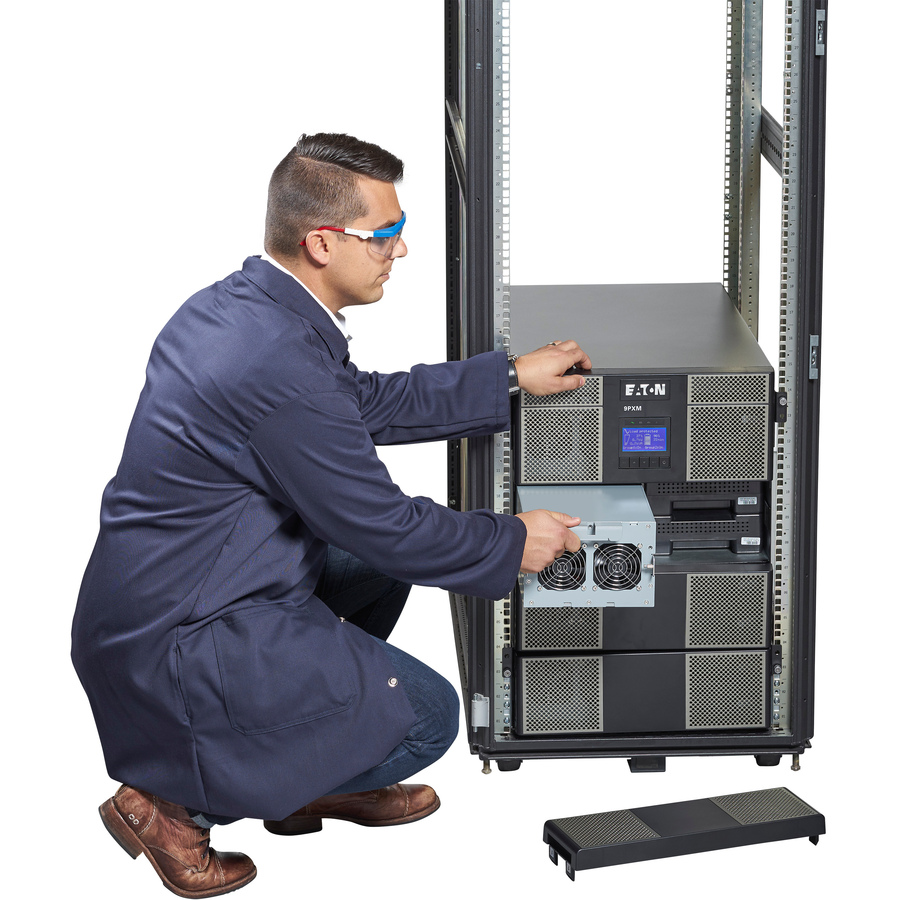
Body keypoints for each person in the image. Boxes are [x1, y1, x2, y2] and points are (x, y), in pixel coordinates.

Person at [72, 132, 591, 896]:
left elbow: (361, 402)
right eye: (384, 232)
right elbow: (385, 526)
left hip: (176, 598)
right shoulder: (275, 362)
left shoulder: (247, 309)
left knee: (373, 570)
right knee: (428, 718)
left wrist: (507, 377)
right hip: (187, 638)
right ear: (322, 242)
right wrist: (512, 540)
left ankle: (303, 772)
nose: (400, 248)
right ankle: (170, 806)